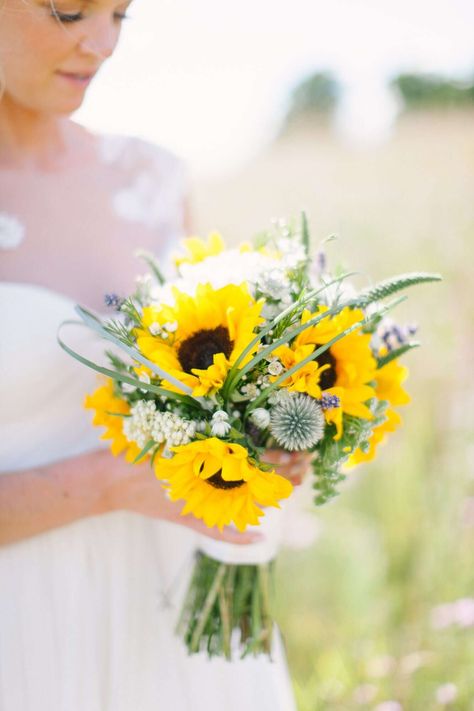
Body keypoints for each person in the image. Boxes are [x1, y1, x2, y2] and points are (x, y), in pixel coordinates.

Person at [0, 2, 310, 709]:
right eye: (70, 9)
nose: (101, 43)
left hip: (176, 629)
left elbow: (217, 377)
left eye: (121, 14)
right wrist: (115, 483)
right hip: (24, 628)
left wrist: (268, 437)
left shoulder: (155, 176)